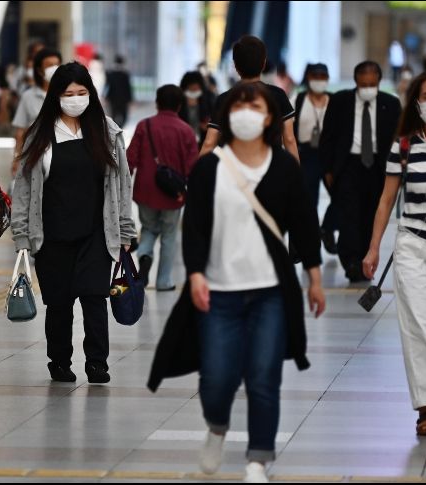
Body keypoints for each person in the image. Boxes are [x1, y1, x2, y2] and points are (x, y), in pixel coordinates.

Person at [151, 82, 325, 483]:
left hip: (270, 292)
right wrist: (195, 273)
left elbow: (303, 223)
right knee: (217, 378)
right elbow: (193, 226)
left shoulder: (283, 168)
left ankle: (257, 461)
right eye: (238, 105)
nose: (246, 112)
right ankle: (216, 426)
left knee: (264, 376)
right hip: (219, 289)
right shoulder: (210, 167)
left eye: (255, 105)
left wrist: (314, 278)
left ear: (268, 118)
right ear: (228, 116)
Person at [11, 61, 136, 384]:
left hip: (97, 232)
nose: (76, 99)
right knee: (59, 304)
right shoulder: (41, 134)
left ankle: (97, 363)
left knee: (96, 299)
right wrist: (22, 236)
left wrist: (125, 230)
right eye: (69, 93)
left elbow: (121, 184)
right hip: (52, 235)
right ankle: (59, 361)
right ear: (56, 96)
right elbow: (24, 188)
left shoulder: (107, 131)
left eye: (82, 92)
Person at [363, 70, 426, 436]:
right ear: (417, 103)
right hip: (414, 245)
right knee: (421, 325)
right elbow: (387, 199)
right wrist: (374, 247)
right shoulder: (404, 145)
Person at [319, 61, 402, 282]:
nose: (367, 88)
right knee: (349, 214)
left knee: (371, 214)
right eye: (363, 83)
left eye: (372, 84)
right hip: (348, 165)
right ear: (356, 81)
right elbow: (327, 137)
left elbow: (399, 137)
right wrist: (327, 169)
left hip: (378, 166)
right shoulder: (340, 101)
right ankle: (351, 261)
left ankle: (366, 256)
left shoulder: (391, 104)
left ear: (379, 82)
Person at [127, 85, 198, 290]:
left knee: (148, 228)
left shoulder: (144, 126)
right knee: (169, 235)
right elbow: (191, 167)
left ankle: (145, 256)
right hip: (172, 195)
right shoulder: (186, 131)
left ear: (157, 103)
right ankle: (164, 281)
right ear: (179, 105)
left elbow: (130, 158)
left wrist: (124, 183)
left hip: (145, 190)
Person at [199, 35, 299, 162]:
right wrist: (297, 175)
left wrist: (196, 176)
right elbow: (289, 139)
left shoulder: (224, 99)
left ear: (235, 66)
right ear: (263, 64)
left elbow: (209, 143)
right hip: (270, 168)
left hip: (233, 170)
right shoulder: (278, 95)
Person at [293, 63, 338, 255]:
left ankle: (327, 228)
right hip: (306, 154)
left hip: (329, 155)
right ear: (309, 77)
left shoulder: (335, 101)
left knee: (341, 196)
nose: (319, 80)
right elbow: (288, 129)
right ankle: (308, 243)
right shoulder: (299, 99)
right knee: (306, 201)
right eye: (315, 76)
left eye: (323, 76)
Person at [11, 48, 62, 175]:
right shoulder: (28, 96)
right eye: (49, 65)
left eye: (57, 65)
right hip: (34, 154)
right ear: (39, 70)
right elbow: (20, 131)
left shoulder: (66, 94)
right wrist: (17, 158)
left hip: (61, 153)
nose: (54, 68)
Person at [179, 71, 215, 146]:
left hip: (204, 140)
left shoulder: (208, 98)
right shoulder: (179, 100)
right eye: (191, 89)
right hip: (184, 140)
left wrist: (208, 125)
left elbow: (214, 117)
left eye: (196, 88)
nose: (194, 91)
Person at [105, 55, 133, 128]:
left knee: (113, 115)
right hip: (123, 99)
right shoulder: (125, 75)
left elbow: (107, 87)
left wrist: (106, 97)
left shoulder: (110, 74)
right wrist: (130, 99)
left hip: (112, 99)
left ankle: (116, 128)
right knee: (124, 116)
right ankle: (119, 127)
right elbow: (128, 88)